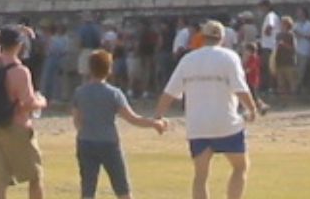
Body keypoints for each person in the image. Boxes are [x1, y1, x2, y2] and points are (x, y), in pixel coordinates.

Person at [159, 19, 255, 199]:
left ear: (202, 37)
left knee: (200, 176)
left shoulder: (188, 59)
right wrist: (252, 109)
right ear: (222, 38)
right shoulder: (229, 57)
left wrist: (158, 115)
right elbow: (241, 88)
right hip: (226, 123)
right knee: (240, 167)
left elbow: (169, 92)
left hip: (197, 125)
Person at [74, 48, 166, 199]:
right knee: (122, 189)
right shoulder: (114, 93)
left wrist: (86, 131)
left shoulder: (80, 92)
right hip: (109, 143)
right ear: (109, 69)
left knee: (88, 190)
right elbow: (132, 118)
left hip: (86, 142)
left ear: (90, 69)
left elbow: (77, 121)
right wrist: (154, 123)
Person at [0, 26, 46, 199]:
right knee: (35, 176)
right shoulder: (20, 71)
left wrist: (10, 30)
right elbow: (28, 104)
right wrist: (42, 101)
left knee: (1, 180)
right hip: (17, 127)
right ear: (18, 45)